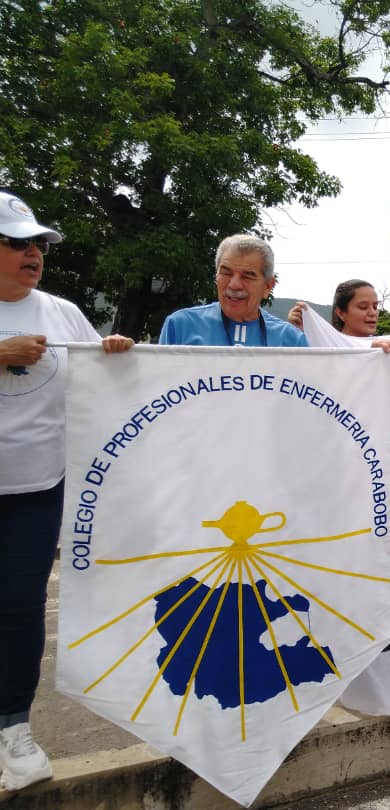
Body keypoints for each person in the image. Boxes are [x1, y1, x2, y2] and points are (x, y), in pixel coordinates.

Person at [0, 191, 134, 790]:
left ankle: (12, 728)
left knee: (19, 610)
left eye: (39, 245)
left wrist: (117, 355)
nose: (33, 254)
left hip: (36, 490)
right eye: (17, 243)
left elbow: (100, 379)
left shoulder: (60, 312)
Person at [159, 234, 307, 347]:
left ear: (268, 286)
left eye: (248, 276)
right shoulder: (180, 326)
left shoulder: (292, 340)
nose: (234, 285)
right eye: (226, 273)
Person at [288, 280, 390, 354]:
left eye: (375, 307)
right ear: (341, 313)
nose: (372, 313)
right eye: (363, 307)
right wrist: (303, 330)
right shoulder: (324, 349)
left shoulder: (389, 348)